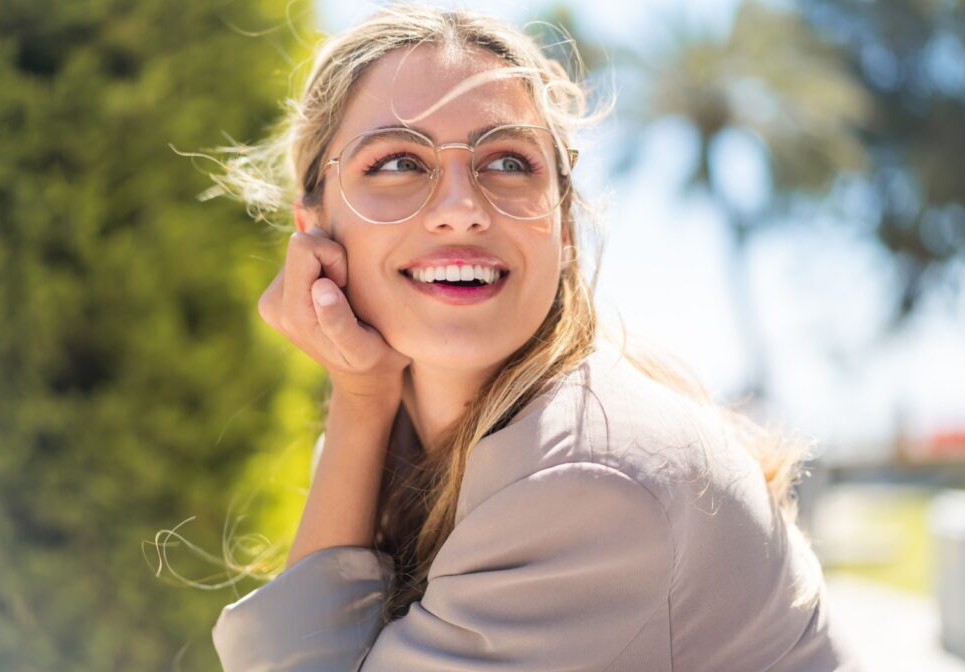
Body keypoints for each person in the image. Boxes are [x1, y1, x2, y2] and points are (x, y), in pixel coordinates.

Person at [206, 4, 859, 670]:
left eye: (509, 164)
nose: (460, 208)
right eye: (399, 162)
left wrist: (355, 403)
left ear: (565, 228)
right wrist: (360, 402)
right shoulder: (399, 439)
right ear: (315, 229)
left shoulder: (585, 481)